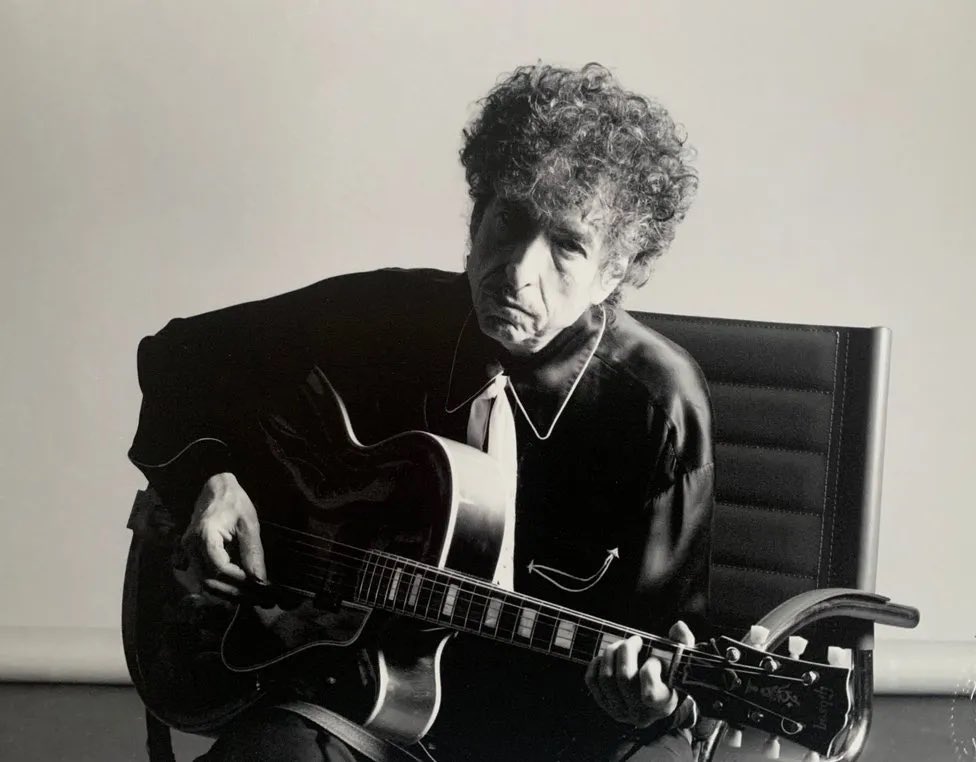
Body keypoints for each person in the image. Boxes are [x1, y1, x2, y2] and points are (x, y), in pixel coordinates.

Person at [128, 62, 713, 762]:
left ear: (614, 271)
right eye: (509, 220)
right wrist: (214, 479)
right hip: (358, 706)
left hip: (548, 731)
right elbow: (184, 354)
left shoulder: (660, 409)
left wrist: (650, 695)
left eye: (567, 245)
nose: (519, 271)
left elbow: (660, 658)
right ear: (476, 218)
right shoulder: (393, 316)